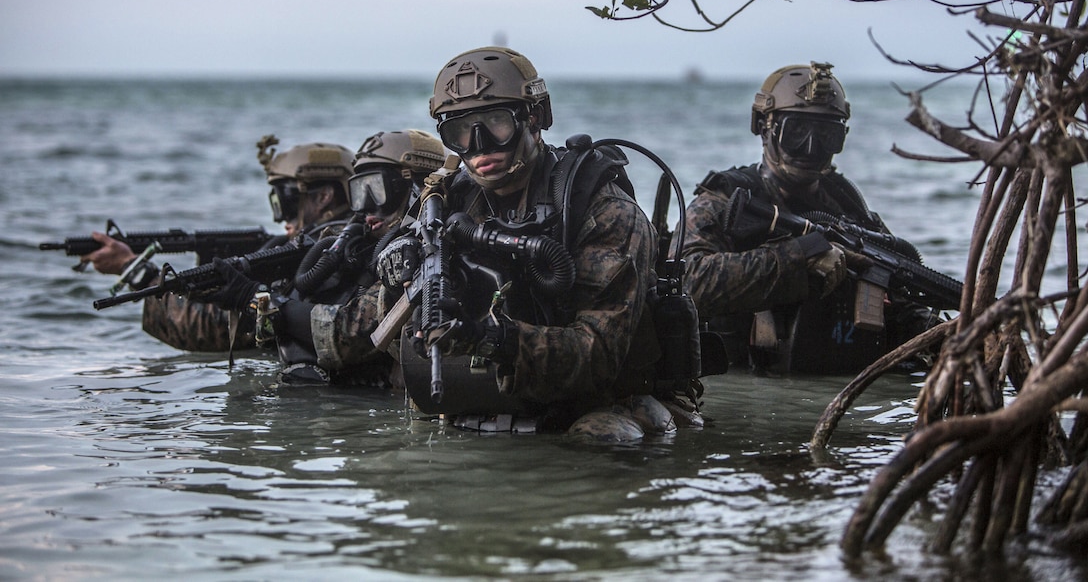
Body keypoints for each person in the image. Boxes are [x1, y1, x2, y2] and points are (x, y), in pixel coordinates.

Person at [367, 46, 701, 439]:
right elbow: (393, 344)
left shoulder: (602, 210)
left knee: (603, 434)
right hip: (497, 396)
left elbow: (599, 357)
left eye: (496, 123)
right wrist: (399, 286)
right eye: (460, 132)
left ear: (535, 118)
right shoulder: (447, 201)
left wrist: (493, 338)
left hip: (607, 397)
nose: (481, 146)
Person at [681, 62, 940, 375]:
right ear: (765, 127)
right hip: (751, 391)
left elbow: (897, 292)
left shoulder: (847, 205)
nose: (811, 147)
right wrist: (800, 258)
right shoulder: (728, 201)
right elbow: (691, 282)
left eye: (826, 135)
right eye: (797, 132)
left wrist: (940, 335)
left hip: (843, 388)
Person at [81, 136, 357, 353]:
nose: (280, 216)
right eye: (275, 204)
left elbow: (212, 328)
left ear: (323, 197)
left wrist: (136, 271)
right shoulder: (345, 241)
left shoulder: (322, 254)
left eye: (285, 201)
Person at [220, 129, 449, 387]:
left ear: (416, 188)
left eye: (377, 190)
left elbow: (355, 332)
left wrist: (260, 303)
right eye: (360, 192)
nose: (367, 208)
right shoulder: (364, 247)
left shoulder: (427, 247)